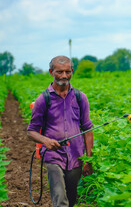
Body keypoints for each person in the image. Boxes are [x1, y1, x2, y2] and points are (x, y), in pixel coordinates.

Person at [27, 55, 94, 207]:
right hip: (53, 156)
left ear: (72, 71)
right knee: (60, 199)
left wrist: (88, 160)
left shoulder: (80, 97)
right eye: (59, 72)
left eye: (67, 72)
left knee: (71, 199)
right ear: (51, 72)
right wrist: (46, 141)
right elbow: (31, 131)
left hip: (76, 156)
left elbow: (88, 129)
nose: (64, 76)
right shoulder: (43, 99)